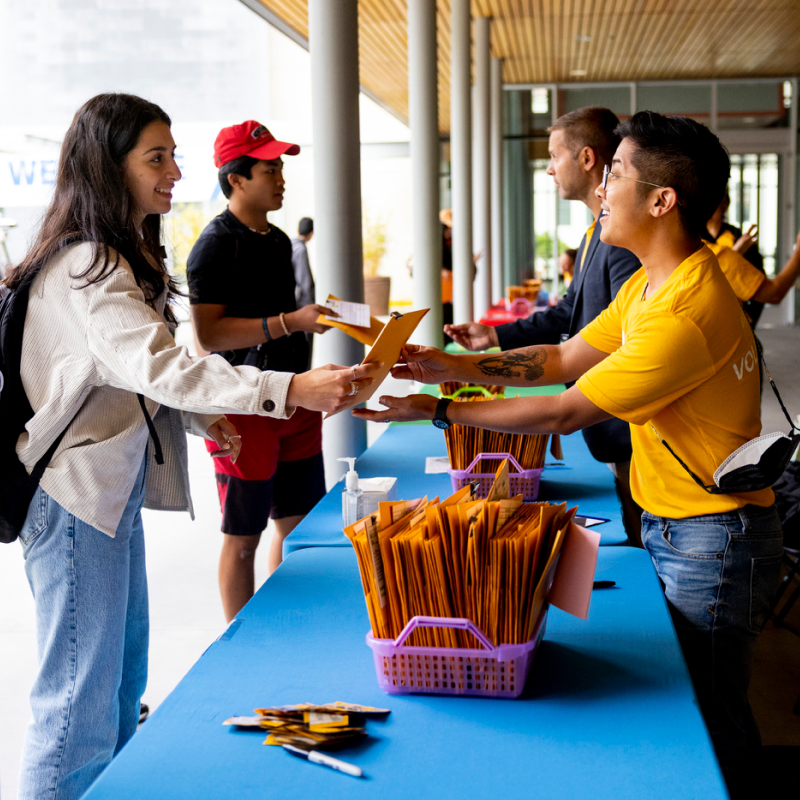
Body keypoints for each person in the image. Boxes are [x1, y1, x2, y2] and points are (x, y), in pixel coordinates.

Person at [354, 112, 783, 791]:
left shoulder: (685, 312)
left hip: (714, 538)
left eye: (616, 174)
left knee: (711, 720)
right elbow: (561, 356)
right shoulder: (651, 284)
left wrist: (440, 408)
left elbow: (565, 407)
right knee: (692, 710)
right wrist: (446, 364)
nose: (602, 187)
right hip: (685, 524)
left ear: (662, 201)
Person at [8, 93, 377, 800]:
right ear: (106, 167)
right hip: (72, 501)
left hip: (108, 496)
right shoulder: (90, 263)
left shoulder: (121, 253)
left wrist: (209, 420)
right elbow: (164, 364)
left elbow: (134, 370)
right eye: (158, 157)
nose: (177, 170)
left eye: (174, 154)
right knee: (77, 703)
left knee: (118, 688)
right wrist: (290, 390)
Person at [445, 107, 643, 546]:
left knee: (639, 538)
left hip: (625, 426)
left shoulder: (625, 243)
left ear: (588, 158)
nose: (550, 168)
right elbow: (570, 313)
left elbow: (627, 342)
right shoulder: (597, 232)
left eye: (555, 156)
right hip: (603, 423)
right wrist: (495, 336)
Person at [188, 122, 334, 622]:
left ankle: (288, 624)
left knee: (297, 530)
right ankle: (236, 643)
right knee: (243, 537)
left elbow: (282, 318)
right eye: (269, 169)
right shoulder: (214, 244)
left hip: (295, 398)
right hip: (243, 407)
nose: (281, 178)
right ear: (236, 179)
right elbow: (208, 336)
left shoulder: (275, 240)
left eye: (281, 168)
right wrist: (290, 322)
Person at [291, 216, 316, 369]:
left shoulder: (290, 245)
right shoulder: (301, 249)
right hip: (303, 304)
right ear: (312, 233)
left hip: (293, 304)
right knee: (306, 344)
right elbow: (305, 281)